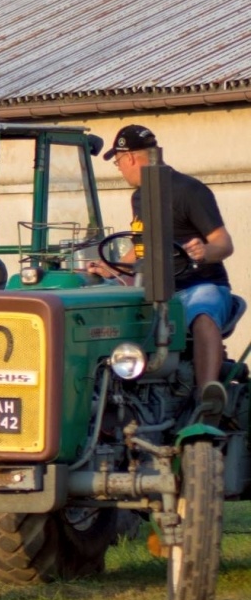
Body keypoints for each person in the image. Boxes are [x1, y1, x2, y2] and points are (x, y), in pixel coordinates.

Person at [89, 125, 235, 422]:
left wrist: (205, 251)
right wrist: (110, 268)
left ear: (129, 158)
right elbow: (141, 246)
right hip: (153, 285)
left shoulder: (189, 191)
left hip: (198, 284)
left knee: (202, 312)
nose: (119, 169)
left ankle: (207, 395)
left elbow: (224, 243)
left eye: (117, 162)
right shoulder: (140, 197)